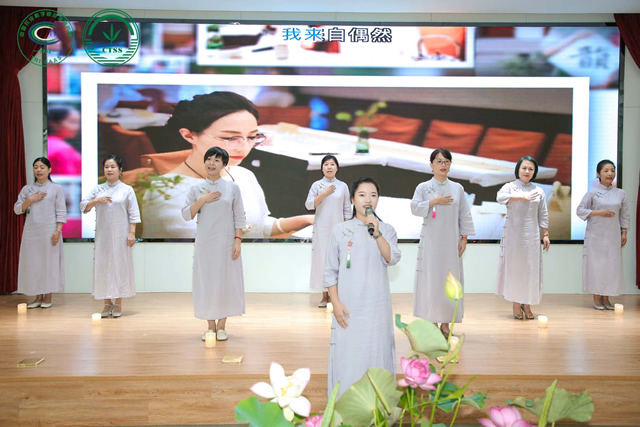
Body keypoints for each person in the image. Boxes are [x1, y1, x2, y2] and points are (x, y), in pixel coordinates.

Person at [141, 91, 312, 238]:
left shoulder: (242, 174)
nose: (243, 147)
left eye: (251, 137)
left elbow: (257, 226)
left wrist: (304, 220)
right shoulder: (168, 194)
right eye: (229, 138)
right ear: (189, 136)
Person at [325, 177, 401, 398]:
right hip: (347, 306)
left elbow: (392, 258)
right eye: (362, 195)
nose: (368, 199)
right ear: (352, 199)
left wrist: (377, 233)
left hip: (377, 307)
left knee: (377, 353)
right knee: (349, 355)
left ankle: (377, 406)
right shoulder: (340, 230)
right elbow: (330, 271)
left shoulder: (386, 229)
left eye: (373, 195)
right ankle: (346, 406)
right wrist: (335, 303)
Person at [182, 147, 246, 341]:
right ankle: (210, 325)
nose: (211, 163)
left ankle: (222, 326)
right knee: (207, 282)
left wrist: (237, 240)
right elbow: (186, 214)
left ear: (224, 165)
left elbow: (239, 216)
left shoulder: (232, 188)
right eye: (209, 159)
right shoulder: (196, 189)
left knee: (225, 282)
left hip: (226, 243)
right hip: (205, 244)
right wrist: (203, 199)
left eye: (217, 160)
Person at [411, 148, 474, 337]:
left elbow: (464, 214)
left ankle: (446, 324)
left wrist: (464, 238)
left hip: (451, 243)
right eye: (439, 161)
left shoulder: (457, 188)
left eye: (446, 161)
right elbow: (414, 208)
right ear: (431, 165)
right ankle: (432, 323)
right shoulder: (423, 187)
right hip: (431, 243)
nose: (443, 165)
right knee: (432, 281)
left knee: (450, 281)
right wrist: (433, 201)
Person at [80, 155, 141, 318]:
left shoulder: (127, 189)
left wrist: (131, 233)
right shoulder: (98, 189)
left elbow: (134, 213)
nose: (109, 169)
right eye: (106, 166)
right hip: (103, 236)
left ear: (120, 170)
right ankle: (107, 303)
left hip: (121, 235)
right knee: (104, 267)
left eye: (113, 166)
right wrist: (96, 201)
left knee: (120, 266)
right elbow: (83, 207)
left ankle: (118, 302)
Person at [496, 156, 550, 320]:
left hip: (531, 236)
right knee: (515, 269)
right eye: (524, 168)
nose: (527, 171)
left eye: (531, 169)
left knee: (530, 270)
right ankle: (515, 303)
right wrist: (521, 197)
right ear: (518, 169)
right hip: (513, 235)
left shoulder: (538, 190)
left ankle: (527, 303)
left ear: (534, 172)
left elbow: (543, 213)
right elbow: (500, 198)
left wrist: (545, 234)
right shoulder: (510, 187)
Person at [14, 157, 66, 308]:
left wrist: (58, 230)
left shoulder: (56, 188)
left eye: (42, 167)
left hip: (50, 231)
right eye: (36, 167)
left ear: (49, 170)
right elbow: (17, 210)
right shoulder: (27, 189)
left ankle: (48, 296)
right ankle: (37, 297)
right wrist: (30, 200)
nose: (38, 170)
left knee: (48, 263)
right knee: (34, 263)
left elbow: (61, 211)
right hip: (31, 232)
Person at [576, 160, 629, 310]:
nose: (610, 173)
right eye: (606, 170)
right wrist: (599, 213)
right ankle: (597, 297)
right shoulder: (592, 193)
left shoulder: (621, 193)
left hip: (613, 236)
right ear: (598, 174)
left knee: (611, 266)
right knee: (597, 266)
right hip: (596, 236)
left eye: (612, 170)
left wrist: (624, 232)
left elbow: (624, 215)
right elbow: (580, 210)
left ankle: (607, 297)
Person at [305, 155, 351, 307]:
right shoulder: (316, 185)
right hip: (322, 229)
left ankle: (336, 296)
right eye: (326, 164)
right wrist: (323, 194)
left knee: (338, 260)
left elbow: (347, 209)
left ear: (337, 168)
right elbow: (309, 205)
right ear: (322, 168)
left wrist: (347, 229)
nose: (329, 167)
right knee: (323, 261)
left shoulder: (343, 186)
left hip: (339, 229)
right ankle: (325, 296)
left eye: (332, 164)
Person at [47, 106, 82, 175]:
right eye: (73, 122)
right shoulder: (63, 149)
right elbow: (69, 179)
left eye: (78, 123)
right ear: (54, 124)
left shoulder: (42, 143)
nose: (77, 127)